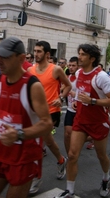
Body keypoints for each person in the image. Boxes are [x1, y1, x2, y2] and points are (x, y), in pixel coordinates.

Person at [0, 37, 52, 198]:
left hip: (24, 158)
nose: (0, 61)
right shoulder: (1, 80)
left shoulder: (32, 85)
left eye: (6, 57)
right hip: (0, 152)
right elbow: (3, 112)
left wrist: (19, 134)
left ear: (21, 59)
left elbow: (47, 124)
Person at [56, 44, 110, 198]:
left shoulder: (101, 76)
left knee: (101, 156)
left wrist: (92, 101)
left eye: (83, 54)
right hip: (81, 120)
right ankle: (69, 191)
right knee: (73, 154)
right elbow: (80, 93)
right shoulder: (78, 72)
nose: (79, 57)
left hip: (98, 122)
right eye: (79, 53)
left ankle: (106, 178)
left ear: (92, 58)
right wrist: (77, 101)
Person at [28, 41, 71, 194]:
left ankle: (36, 178)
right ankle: (61, 160)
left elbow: (68, 86)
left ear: (47, 54)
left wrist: (60, 97)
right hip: (34, 111)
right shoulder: (30, 70)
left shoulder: (56, 69)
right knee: (49, 142)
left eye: (39, 51)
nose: (36, 54)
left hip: (51, 111)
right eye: (35, 51)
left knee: (38, 144)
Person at [63, 56, 79, 154]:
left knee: (77, 135)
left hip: (80, 111)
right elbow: (63, 88)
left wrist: (75, 94)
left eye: (73, 65)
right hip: (70, 109)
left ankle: (93, 138)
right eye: (70, 65)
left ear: (78, 67)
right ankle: (69, 155)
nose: (71, 68)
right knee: (67, 134)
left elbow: (87, 93)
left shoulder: (81, 78)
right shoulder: (68, 78)